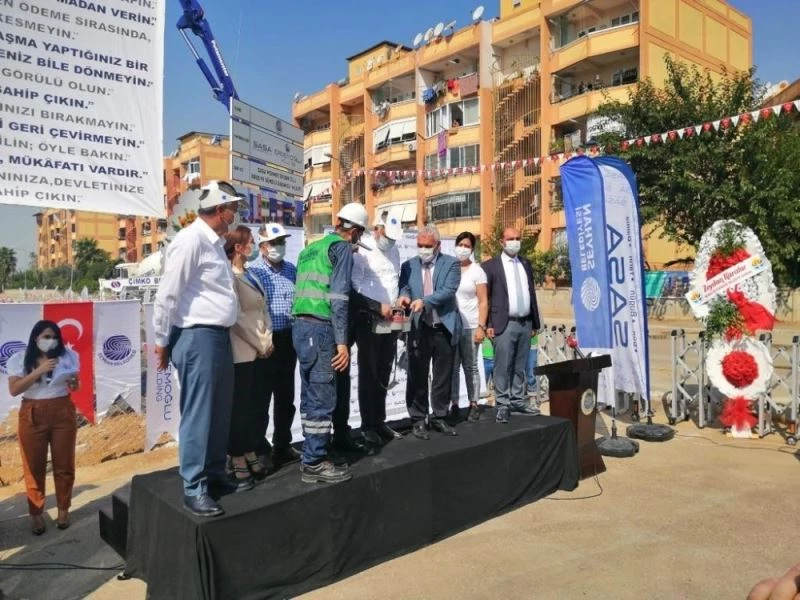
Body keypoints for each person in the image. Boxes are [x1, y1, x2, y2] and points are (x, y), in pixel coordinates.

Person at [153, 180, 247, 517]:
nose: (236, 215)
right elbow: (167, 294)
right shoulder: (190, 240)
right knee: (199, 412)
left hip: (217, 336)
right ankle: (194, 487)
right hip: (196, 336)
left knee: (220, 410)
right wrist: (161, 340)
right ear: (220, 210)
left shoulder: (214, 244)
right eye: (233, 209)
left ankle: (214, 473)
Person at [292, 202, 368, 483]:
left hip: (301, 327)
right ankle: (314, 461)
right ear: (355, 231)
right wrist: (342, 342)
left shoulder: (310, 249)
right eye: (360, 233)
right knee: (322, 396)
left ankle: (312, 452)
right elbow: (339, 298)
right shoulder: (342, 248)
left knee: (309, 394)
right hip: (322, 328)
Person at [7, 321, 79, 535]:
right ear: (35, 338)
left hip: (62, 409)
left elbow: (76, 385)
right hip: (33, 411)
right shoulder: (19, 358)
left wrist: (74, 383)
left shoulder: (68, 356)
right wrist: (39, 370)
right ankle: (36, 513)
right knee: (34, 465)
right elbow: (14, 390)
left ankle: (63, 509)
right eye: (46, 337)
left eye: (54, 337)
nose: (51, 341)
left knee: (64, 463)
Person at [398, 224, 461, 439]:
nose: (423, 249)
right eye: (420, 245)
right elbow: (404, 287)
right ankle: (418, 419)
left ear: (438, 246)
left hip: (443, 327)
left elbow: (448, 290)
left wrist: (424, 302)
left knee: (442, 375)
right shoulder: (408, 266)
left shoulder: (451, 264)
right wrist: (404, 297)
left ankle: (439, 416)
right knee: (417, 374)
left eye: (428, 246)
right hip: (419, 328)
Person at [248, 223, 301, 468]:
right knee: (260, 398)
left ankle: (283, 444)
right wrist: (260, 341)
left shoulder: (291, 269)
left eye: (282, 242)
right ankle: (260, 449)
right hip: (265, 341)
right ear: (262, 246)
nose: (279, 246)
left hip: (289, 338)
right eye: (274, 242)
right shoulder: (253, 272)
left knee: (286, 396)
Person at [350, 213, 405, 450]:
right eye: (387, 237)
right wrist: (376, 307)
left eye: (393, 239)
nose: (390, 242)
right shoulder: (363, 251)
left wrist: (399, 300)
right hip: (369, 319)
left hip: (390, 319)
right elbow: (354, 287)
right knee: (369, 372)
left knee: (384, 370)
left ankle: (379, 421)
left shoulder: (394, 250)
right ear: (377, 229)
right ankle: (367, 426)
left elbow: (394, 280)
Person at [224, 226, 273, 487]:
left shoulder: (251, 274)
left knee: (256, 405)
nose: (254, 246)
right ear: (239, 247)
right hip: (242, 348)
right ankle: (236, 455)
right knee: (240, 408)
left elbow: (262, 309)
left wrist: (268, 339)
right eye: (251, 242)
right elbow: (237, 317)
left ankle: (250, 449)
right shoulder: (229, 276)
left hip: (261, 346)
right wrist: (260, 342)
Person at [481, 227, 542, 424]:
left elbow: (531, 292)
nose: (515, 242)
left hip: (525, 322)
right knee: (503, 365)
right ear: (502, 242)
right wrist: (488, 323)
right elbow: (486, 297)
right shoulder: (491, 266)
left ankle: (517, 400)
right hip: (503, 323)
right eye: (510, 239)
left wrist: (535, 322)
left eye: (517, 238)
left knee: (520, 365)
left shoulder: (525, 263)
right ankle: (502, 403)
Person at [448, 231, 488, 423]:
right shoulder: (449, 267)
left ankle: (474, 404)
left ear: (472, 249)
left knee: (471, 366)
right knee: (453, 367)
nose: (463, 248)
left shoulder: (477, 271)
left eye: (467, 246)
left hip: (470, 325)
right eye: (460, 244)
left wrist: (481, 326)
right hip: (451, 325)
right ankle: (454, 403)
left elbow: (483, 301)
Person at [526, 329, 539, 400]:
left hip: (532, 344)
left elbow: (541, 327)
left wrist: (535, 331)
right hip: (517, 343)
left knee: (531, 370)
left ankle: (532, 396)